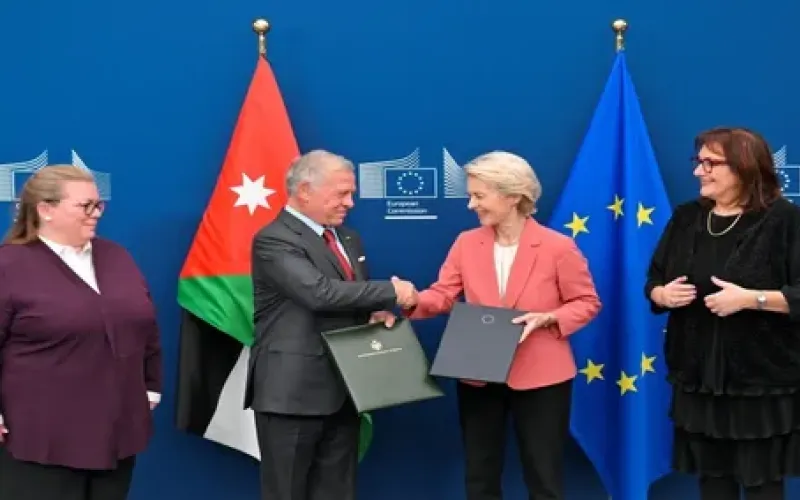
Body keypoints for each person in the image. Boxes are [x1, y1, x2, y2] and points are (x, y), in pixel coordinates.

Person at [403, 151, 601, 500]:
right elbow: (443, 295)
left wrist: (550, 317)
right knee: (480, 473)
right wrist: (410, 300)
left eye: (479, 196)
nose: (471, 205)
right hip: (478, 371)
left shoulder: (558, 247)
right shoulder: (466, 243)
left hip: (542, 376)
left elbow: (587, 303)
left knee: (543, 476)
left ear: (512, 196)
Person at [245, 149, 417, 500]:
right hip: (292, 395)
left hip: (345, 388)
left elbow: (349, 298)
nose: (350, 203)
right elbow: (319, 293)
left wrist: (374, 313)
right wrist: (392, 292)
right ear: (304, 191)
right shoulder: (274, 239)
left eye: (351, 193)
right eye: (341, 193)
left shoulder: (348, 238)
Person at [645, 127, 800, 500]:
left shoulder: (784, 220)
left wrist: (751, 299)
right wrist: (663, 294)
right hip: (699, 378)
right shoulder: (686, 217)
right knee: (713, 482)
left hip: (760, 383)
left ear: (744, 166)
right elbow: (654, 279)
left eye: (710, 163)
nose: (698, 171)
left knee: (762, 483)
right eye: (698, 161)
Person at [0, 165, 162, 500]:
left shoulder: (116, 256)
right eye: (85, 206)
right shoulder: (9, 265)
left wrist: (149, 387)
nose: (96, 213)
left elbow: (145, 327)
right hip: (40, 439)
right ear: (45, 210)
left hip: (117, 434)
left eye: (98, 204)